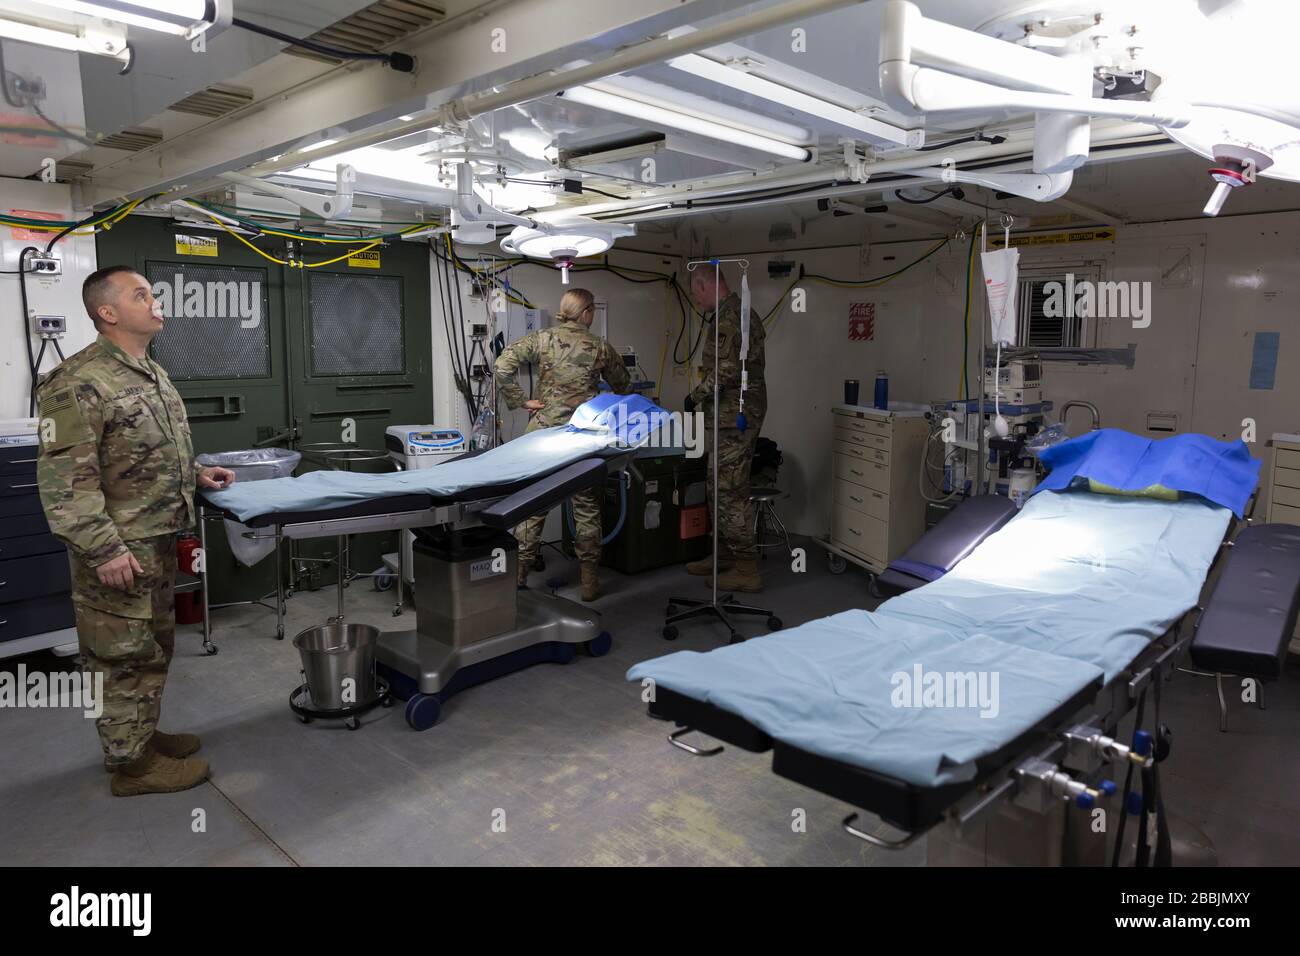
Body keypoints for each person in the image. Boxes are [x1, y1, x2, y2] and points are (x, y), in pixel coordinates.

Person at [36, 265, 236, 796]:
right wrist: (103, 549)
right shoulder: (77, 382)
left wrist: (196, 475)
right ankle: (131, 768)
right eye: (141, 295)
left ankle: (140, 738)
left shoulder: (148, 370)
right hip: (117, 549)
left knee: (151, 648)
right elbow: (65, 483)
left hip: (156, 539)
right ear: (108, 312)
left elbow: (141, 452)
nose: (155, 302)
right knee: (118, 657)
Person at [494, 288, 631, 601]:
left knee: (532, 506)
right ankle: (589, 581)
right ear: (586, 313)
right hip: (582, 437)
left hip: (542, 435)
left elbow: (502, 366)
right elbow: (624, 385)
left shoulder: (541, 339)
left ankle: (519, 574)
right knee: (586, 507)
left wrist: (519, 401)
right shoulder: (600, 347)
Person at [683, 268, 767, 592]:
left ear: (705, 286)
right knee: (715, 485)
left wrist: (695, 395)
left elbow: (728, 370)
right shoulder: (733, 313)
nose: (695, 298)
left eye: (696, 292)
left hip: (736, 416)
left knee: (729, 490)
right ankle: (724, 555)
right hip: (726, 416)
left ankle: (746, 569)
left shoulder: (731, 317)